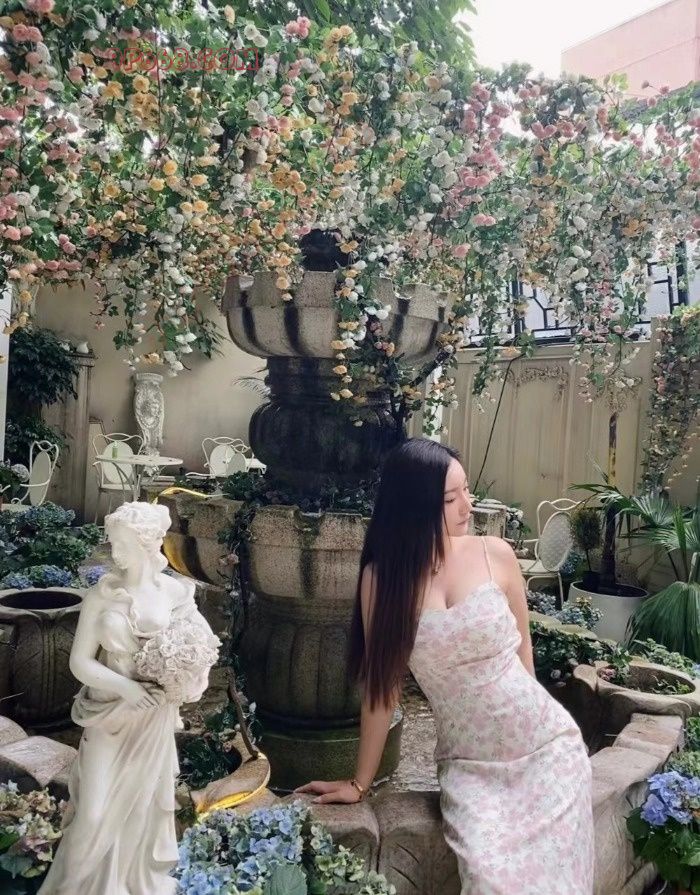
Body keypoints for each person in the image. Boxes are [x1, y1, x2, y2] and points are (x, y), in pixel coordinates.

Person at [296, 438, 594, 894]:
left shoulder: (496, 553)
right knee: (490, 879)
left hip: (545, 747)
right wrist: (360, 782)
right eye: (450, 498)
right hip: (471, 768)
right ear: (414, 507)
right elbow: (382, 691)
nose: (467, 505)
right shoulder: (384, 580)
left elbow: (524, 653)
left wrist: (536, 724)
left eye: (467, 490)